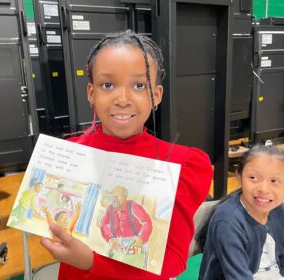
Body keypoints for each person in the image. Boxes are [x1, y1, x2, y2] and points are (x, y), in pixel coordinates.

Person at [40, 30, 213, 279]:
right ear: (92, 93)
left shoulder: (180, 165)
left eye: (139, 85)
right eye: (107, 85)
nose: (122, 99)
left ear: (156, 96)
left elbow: (173, 261)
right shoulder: (69, 155)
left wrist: (91, 261)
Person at [199, 144, 284, 279]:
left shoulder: (279, 208)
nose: (264, 189)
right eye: (253, 178)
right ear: (239, 177)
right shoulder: (228, 222)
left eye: (274, 181)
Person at [101, 186, 152, 269]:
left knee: (135, 270)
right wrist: (110, 239)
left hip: (135, 243)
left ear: (125, 197)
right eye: (112, 197)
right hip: (117, 243)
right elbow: (103, 225)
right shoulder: (110, 209)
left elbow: (147, 222)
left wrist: (141, 238)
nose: (114, 199)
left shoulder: (133, 206)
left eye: (117, 196)